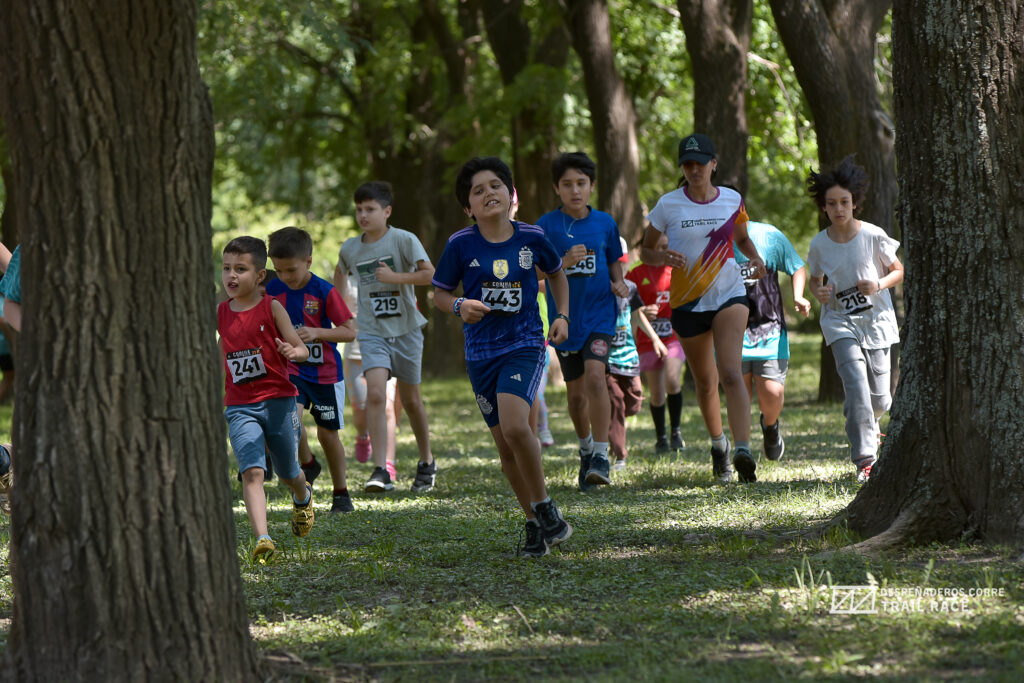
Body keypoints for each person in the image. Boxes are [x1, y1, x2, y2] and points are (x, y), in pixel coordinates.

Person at [432, 156, 572, 558]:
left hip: (525, 344)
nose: (488, 193)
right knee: (506, 448)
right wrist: (459, 306)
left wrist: (561, 315)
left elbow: (557, 273)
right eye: (478, 190)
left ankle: (545, 506)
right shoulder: (460, 244)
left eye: (495, 185)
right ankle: (533, 523)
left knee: (515, 426)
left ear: (510, 195)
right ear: (468, 207)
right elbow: (439, 293)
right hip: (480, 355)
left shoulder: (531, 236)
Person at [641, 133, 766, 483]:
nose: (694, 169)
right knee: (706, 383)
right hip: (688, 302)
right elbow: (645, 252)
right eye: (688, 164)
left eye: (701, 163)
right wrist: (663, 256)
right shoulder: (668, 205)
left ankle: (743, 449)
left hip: (729, 292)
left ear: (714, 164)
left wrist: (755, 259)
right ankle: (719, 446)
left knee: (730, 371)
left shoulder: (732, 199)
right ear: (683, 167)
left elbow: (741, 239)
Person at [335, 181, 437, 494]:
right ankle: (381, 470)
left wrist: (395, 278)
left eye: (370, 209)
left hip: (406, 330)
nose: (363, 215)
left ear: (387, 211)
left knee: (411, 401)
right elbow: (339, 279)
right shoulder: (351, 248)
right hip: (371, 331)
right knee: (376, 395)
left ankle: (426, 461)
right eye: (359, 210)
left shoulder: (404, 240)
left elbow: (429, 274)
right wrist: (343, 314)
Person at [806, 156, 903, 482]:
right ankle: (865, 461)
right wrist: (818, 293)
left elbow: (898, 271)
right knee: (857, 388)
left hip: (876, 322)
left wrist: (877, 284)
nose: (838, 209)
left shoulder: (874, 235)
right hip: (839, 322)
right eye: (831, 203)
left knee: (880, 399)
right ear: (824, 207)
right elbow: (814, 279)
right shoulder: (820, 244)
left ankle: (868, 421)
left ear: (855, 203)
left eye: (844, 202)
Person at [219, 236, 316, 560]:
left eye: (241, 269)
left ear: (260, 275)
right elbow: (224, 353)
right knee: (253, 472)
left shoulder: (271, 307)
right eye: (227, 269)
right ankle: (263, 537)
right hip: (239, 405)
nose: (232, 276)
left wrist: (294, 351)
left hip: (278, 400)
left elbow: (300, 348)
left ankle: (303, 496)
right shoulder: (221, 312)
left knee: (289, 472)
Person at [537, 151, 628, 490]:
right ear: (556, 188)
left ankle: (602, 456)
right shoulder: (546, 226)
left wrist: (619, 284)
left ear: (591, 186)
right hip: (565, 321)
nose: (575, 190)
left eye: (581, 183)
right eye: (567, 184)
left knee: (596, 377)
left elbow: (614, 266)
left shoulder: (605, 223)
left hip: (601, 316)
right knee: (575, 398)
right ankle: (586, 449)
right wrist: (562, 261)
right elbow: (534, 274)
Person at [267, 227, 358, 513]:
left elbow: (349, 332)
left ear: (308, 261)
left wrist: (317, 332)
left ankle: (341, 493)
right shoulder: (273, 290)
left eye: (290, 270)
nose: (284, 277)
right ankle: (308, 464)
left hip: (326, 375)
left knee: (327, 435)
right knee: (289, 421)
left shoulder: (324, 291)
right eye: (278, 270)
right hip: (291, 370)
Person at [735, 220, 811, 462]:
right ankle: (742, 451)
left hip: (769, 328)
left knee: (772, 392)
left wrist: (798, 295)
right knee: (740, 394)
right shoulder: (710, 239)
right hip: (731, 330)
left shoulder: (768, 235)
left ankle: (770, 425)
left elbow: (797, 266)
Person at [608, 239, 666, 468]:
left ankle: (605, 423)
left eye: (623, 264)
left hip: (628, 355)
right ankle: (619, 454)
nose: (619, 268)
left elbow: (638, 315)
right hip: (606, 356)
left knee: (633, 401)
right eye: (615, 264)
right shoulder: (600, 288)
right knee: (616, 403)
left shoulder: (631, 287)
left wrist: (655, 339)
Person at [627, 232, 687, 453]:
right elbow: (631, 309)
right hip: (647, 339)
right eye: (658, 247)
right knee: (657, 392)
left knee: (672, 380)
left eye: (666, 246)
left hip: (673, 337)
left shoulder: (677, 270)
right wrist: (643, 311)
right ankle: (661, 437)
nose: (663, 252)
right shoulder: (635, 273)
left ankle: (676, 432)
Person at [340, 278, 401, 470]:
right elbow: (337, 312)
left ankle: (388, 464)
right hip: (356, 353)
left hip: (387, 349)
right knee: (361, 410)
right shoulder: (348, 279)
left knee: (387, 407)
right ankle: (362, 435)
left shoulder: (390, 274)